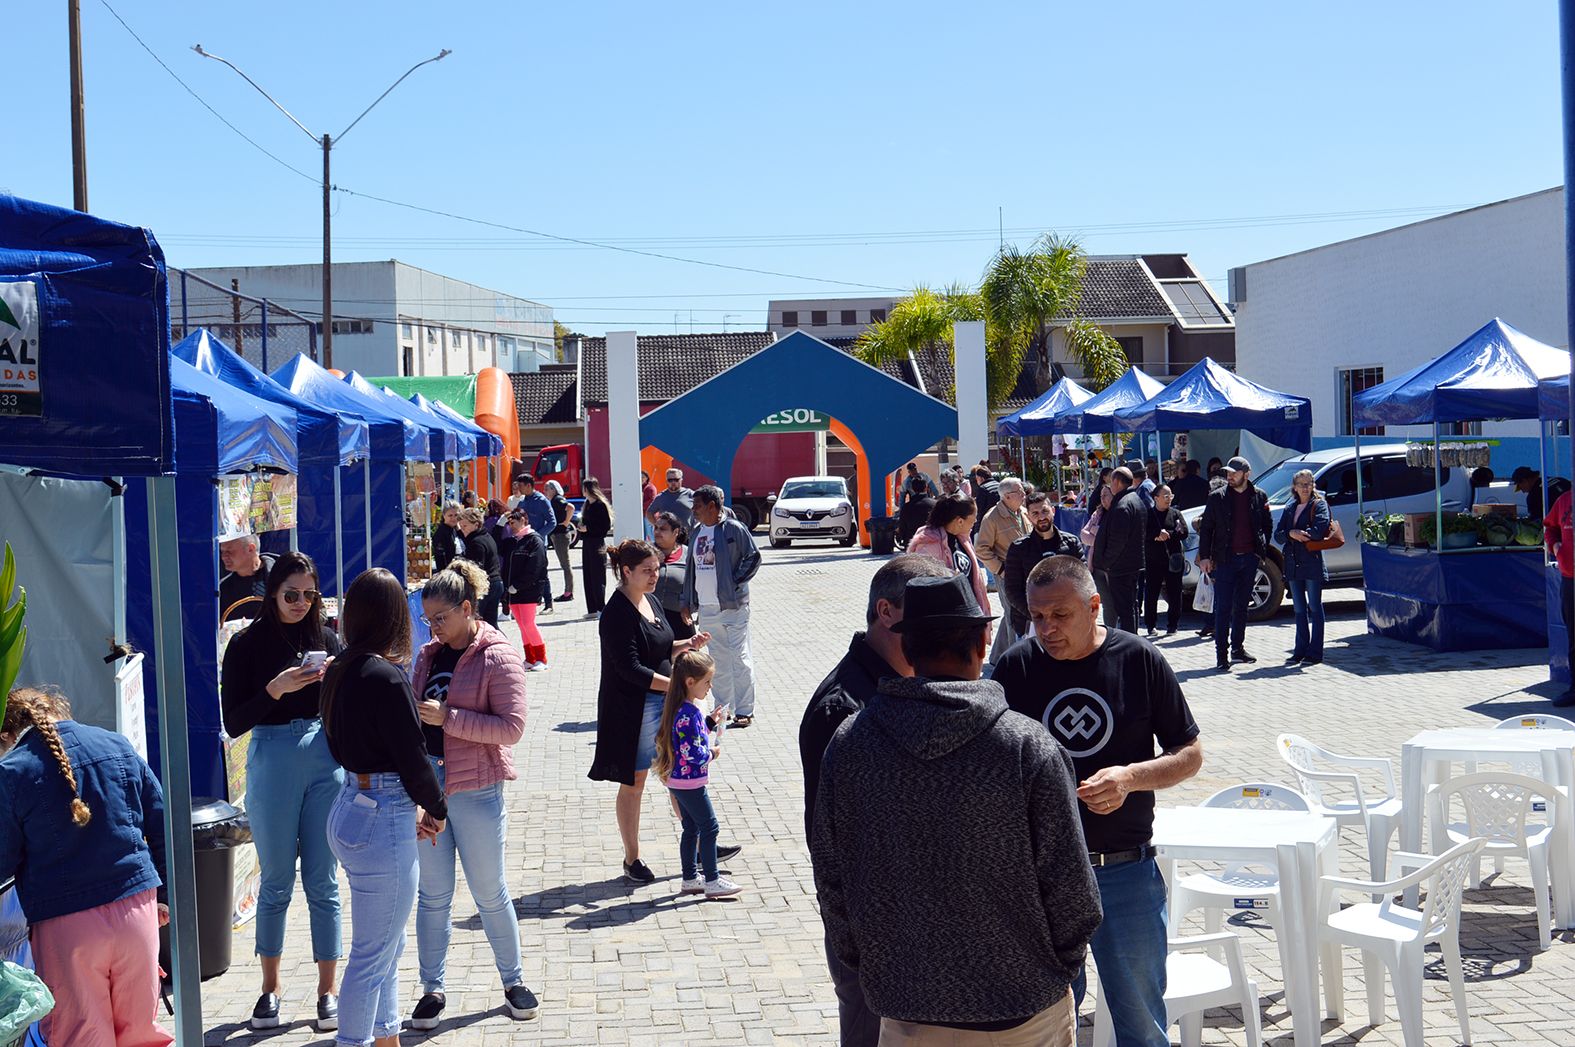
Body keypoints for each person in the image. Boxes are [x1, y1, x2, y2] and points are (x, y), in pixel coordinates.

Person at [811, 573, 1101, 1046]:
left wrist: (873, 968)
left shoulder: (851, 744)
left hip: (908, 1012)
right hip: (1025, 1009)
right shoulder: (1026, 747)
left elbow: (831, 880)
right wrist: (1057, 969)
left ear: (908, 650)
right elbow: (1073, 891)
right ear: (985, 641)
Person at [992, 555, 1204, 1047]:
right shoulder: (1014, 668)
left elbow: (1190, 754)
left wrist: (1131, 777)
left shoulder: (1138, 659)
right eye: (1036, 617)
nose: (1045, 629)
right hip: (1039, 878)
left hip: (1125, 872)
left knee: (1141, 1027)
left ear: (1094, 607)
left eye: (1060, 615)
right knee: (1043, 1026)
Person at [798, 555, 951, 1047]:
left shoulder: (909, 685)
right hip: (874, 934)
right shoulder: (843, 708)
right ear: (887, 612)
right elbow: (835, 847)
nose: (942, 634)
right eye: (930, 619)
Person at [0, 688, 173, 1047]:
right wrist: (165, 896)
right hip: (136, 910)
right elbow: (161, 825)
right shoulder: (117, 745)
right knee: (141, 1033)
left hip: (67, 925)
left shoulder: (12, 771)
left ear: (7, 735)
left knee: (80, 1035)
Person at [320, 568, 447, 1047]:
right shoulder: (386, 675)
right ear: (397, 616)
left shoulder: (341, 668)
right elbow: (412, 756)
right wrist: (435, 807)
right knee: (373, 954)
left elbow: (339, 744)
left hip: (353, 802)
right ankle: (357, 1040)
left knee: (384, 947)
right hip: (381, 810)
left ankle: (385, 1037)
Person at [410, 561, 536, 1030]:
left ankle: (513, 980)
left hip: (478, 789)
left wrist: (451, 719)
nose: (434, 627)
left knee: (489, 891)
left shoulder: (498, 654)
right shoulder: (427, 655)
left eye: (440, 617)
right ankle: (431, 988)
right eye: (428, 620)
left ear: (467, 608)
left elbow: (513, 728)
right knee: (433, 895)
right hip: (430, 786)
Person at [220, 551, 344, 1031]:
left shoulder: (326, 638)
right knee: (275, 881)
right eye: (291, 594)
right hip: (270, 755)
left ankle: (327, 991)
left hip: (322, 757)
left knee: (324, 881)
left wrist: (333, 681)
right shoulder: (247, 645)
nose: (300, 603)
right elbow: (234, 722)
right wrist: (275, 689)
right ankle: (269, 990)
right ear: (271, 593)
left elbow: (344, 709)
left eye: (308, 594)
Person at [590, 540, 713, 884]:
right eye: (647, 570)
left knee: (680, 773)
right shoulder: (616, 613)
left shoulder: (651, 600)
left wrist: (685, 645)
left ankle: (703, 844)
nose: (655, 575)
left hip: (662, 701)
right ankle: (632, 859)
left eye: (657, 568)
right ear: (626, 572)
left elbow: (657, 646)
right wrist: (676, 686)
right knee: (636, 781)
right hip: (633, 708)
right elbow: (630, 668)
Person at [654, 650, 744, 899]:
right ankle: (712, 880)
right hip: (690, 782)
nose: (710, 687)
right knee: (709, 827)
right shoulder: (689, 713)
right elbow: (692, 750)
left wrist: (710, 723)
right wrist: (712, 754)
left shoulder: (682, 710)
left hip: (678, 781)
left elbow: (689, 735)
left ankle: (690, 877)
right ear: (690, 682)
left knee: (691, 828)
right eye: (707, 682)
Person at [682, 485, 763, 727]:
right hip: (707, 608)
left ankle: (745, 710)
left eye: (697, 505)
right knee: (717, 660)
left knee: (738, 657)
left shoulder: (734, 529)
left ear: (712, 506)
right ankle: (723, 709)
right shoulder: (696, 533)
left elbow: (754, 557)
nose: (694, 510)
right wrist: (687, 602)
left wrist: (734, 581)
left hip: (733, 607)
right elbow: (692, 570)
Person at [1196, 456, 1274, 672]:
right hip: (1225, 559)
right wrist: (1204, 556)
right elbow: (1207, 529)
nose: (1229, 477)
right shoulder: (1217, 497)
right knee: (1223, 608)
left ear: (1246, 474)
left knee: (1242, 607)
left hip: (1249, 558)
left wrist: (1260, 549)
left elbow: (1267, 524)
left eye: (1234, 473)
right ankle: (1222, 654)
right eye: (1228, 473)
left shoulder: (1259, 496)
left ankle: (1238, 649)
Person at [906, 494, 992, 639]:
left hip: (969, 617)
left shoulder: (963, 538)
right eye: (973, 517)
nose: (976, 521)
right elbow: (922, 585)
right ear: (959, 521)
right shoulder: (928, 543)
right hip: (945, 625)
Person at [1003, 491, 1084, 640]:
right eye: (1035, 513)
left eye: (1045, 511)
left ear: (1053, 511)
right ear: (1028, 517)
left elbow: (1083, 580)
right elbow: (1012, 590)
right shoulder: (1018, 548)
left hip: (1067, 620)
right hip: (1030, 623)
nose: (1041, 517)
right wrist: (1038, 615)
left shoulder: (1071, 543)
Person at [1275, 469, 1332, 665]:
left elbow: (1318, 530)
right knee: (1299, 609)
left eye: (1309, 483)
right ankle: (1300, 650)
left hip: (1312, 562)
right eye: (1301, 484)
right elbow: (1279, 534)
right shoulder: (1290, 507)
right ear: (1294, 487)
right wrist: (1292, 533)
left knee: (1314, 606)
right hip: (1293, 564)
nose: (1305, 487)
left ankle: (1315, 652)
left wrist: (1300, 534)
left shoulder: (1319, 504)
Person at [975, 477, 1030, 659]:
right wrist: (1000, 570)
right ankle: (1014, 658)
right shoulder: (992, 518)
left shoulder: (1022, 512)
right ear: (1007, 496)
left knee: (1012, 613)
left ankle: (998, 655)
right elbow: (981, 549)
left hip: (1025, 572)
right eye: (1019, 492)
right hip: (1006, 573)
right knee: (1013, 614)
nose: (1024, 494)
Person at [1092, 466, 1147, 634]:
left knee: (1125, 609)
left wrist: (1106, 563)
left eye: (1111, 482)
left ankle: (1130, 642)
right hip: (1130, 564)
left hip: (1121, 567)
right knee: (1130, 607)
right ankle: (1133, 639)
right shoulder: (1135, 500)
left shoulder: (1123, 505)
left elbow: (1118, 541)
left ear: (1116, 482)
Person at [505, 509, 551, 670]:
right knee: (522, 624)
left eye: (514, 522)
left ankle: (541, 658)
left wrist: (519, 585)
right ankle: (530, 658)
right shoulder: (515, 540)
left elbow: (536, 567)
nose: (512, 526)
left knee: (528, 623)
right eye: (509, 523)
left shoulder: (534, 540)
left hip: (529, 589)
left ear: (524, 520)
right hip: (514, 590)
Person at [1142, 485, 1189, 638]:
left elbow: (1184, 532)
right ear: (1156, 498)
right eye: (1165, 496)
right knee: (1151, 593)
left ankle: (1173, 625)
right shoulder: (1148, 515)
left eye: (1170, 496)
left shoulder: (1175, 513)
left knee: (1175, 592)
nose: (1168, 499)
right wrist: (1156, 534)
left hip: (1173, 559)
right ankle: (1151, 625)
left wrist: (1167, 534)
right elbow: (1142, 533)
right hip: (1153, 560)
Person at [1545, 487, 1575, 707]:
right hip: (1570, 578)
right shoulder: (1565, 500)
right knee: (1574, 637)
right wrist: (1556, 548)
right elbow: (1550, 527)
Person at [512, 477, 557, 614]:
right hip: (524, 543)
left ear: (529, 485)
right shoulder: (523, 501)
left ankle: (548, 603)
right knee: (526, 572)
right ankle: (532, 600)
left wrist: (538, 535)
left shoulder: (542, 501)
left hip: (538, 544)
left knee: (541, 572)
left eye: (521, 486)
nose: (519, 489)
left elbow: (552, 522)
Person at [455, 507, 504, 627]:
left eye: (465, 526)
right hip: (495, 583)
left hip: (485, 586)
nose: (463, 529)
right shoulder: (485, 536)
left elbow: (475, 568)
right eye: (461, 526)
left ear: (476, 525)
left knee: (477, 624)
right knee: (491, 624)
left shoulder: (477, 542)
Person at [652, 511, 694, 639]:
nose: (657, 532)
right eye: (656, 528)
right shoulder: (646, 552)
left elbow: (696, 585)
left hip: (680, 617)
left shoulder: (688, 554)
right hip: (651, 617)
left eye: (663, 529)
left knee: (687, 655)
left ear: (675, 532)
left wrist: (688, 606)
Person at [220, 532, 278, 622]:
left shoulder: (284, 574)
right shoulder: (223, 589)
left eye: (229, 551)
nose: (224, 556)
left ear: (251, 549)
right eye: (222, 552)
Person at [579, 477, 614, 618]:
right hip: (587, 543)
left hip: (597, 543)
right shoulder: (587, 504)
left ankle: (601, 607)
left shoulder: (600, 505)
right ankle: (592, 608)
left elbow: (604, 527)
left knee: (598, 576)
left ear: (588, 489)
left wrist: (588, 528)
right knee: (588, 575)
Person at [545, 479, 576, 603]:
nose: (545, 491)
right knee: (565, 564)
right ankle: (568, 591)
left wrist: (566, 522)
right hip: (557, 534)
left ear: (553, 489)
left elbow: (571, 507)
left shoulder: (557, 499)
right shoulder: (553, 500)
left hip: (561, 535)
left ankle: (568, 592)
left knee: (565, 564)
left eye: (547, 489)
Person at [648, 467, 697, 532]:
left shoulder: (690, 494)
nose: (673, 482)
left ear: (681, 480)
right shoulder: (661, 497)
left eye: (676, 480)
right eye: (670, 480)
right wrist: (658, 526)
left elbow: (702, 508)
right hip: (668, 538)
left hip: (688, 536)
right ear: (666, 481)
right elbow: (649, 513)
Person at [896, 476, 935, 548]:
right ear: (926, 487)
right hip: (932, 543)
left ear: (913, 489)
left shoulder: (906, 507)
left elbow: (902, 527)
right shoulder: (935, 505)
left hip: (912, 544)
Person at [433, 501, 464, 574]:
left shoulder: (454, 529)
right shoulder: (441, 533)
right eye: (450, 515)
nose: (453, 518)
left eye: (456, 515)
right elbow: (441, 559)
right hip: (448, 574)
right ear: (444, 515)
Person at [641, 470, 658, 538]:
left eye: (643, 477)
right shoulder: (640, 487)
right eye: (640, 477)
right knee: (643, 534)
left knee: (651, 534)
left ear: (647, 478)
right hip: (642, 514)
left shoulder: (650, 488)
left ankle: (655, 548)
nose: (641, 479)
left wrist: (641, 505)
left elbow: (652, 500)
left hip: (649, 515)